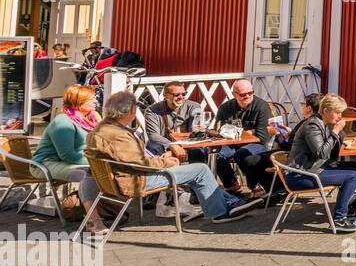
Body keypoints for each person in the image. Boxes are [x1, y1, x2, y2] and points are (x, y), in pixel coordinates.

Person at [86, 91, 254, 224]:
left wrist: (160, 159)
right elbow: (140, 163)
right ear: (130, 110)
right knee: (201, 170)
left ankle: (230, 201)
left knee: (194, 173)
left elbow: (132, 159)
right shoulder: (119, 134)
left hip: (121, 179)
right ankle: (219, 213)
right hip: (135, 181)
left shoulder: (100, 129)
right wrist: (166, 162)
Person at [285, 93, 356, 233]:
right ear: (325, 111)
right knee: (352, 175)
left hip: (312, 169)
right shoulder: (312, 125)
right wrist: (336, 132)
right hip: (300, 176)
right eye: (337, 113)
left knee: (354, 167)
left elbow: (326, 153)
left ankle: (352, 207)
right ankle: (339, 219)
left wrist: (336, 133)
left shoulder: (323, 123)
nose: (340, 117)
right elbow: (321, 153)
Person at [32, 86, 99, 230]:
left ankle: (101, 209)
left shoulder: (93, 118)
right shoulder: (63, 122)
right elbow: (67, 155)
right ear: (78, 102)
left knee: (103, 172)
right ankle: (93, 220)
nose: (96, 100)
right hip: (47, 163)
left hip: (75, 160)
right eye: (91, 98)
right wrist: (97, 162)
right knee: (87, 174)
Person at [213, 79, 273, 194]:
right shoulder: (225, 108)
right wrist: (250, 131)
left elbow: (262, 136)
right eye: (242, 94)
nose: (247, 96)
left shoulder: (262, 107)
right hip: (231, 143)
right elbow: (220, 131)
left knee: (242, 154)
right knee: (215, 152)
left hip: (256, 144)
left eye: (250, 93)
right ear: (234, 94)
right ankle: (231, 183)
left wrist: (234, 132)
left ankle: (255, 186)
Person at [142, 82, 207, 164]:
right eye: (176, 95)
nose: (181, 97)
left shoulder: (193, 107)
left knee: (197, 150)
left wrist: (175, 151)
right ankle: (162, 175)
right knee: (153, 147)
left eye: (184, 94)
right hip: (163, 145)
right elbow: (153, 135)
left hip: (187, 145)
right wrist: (171, 146)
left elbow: (196, 133)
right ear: (165, 96)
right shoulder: (152, 110)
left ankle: (197, 174)